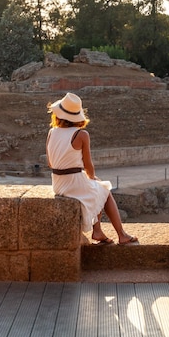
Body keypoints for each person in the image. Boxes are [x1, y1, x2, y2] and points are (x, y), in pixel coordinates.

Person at [46, 92, 138, 245]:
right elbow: (88, 164)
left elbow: (50, 163)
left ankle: (98, 231)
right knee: (104, 190)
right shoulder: (81, 134)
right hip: (73, 182)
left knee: (96, 188)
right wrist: (92, 177)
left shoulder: (52, 132)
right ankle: (121, 235)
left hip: (58, 183)